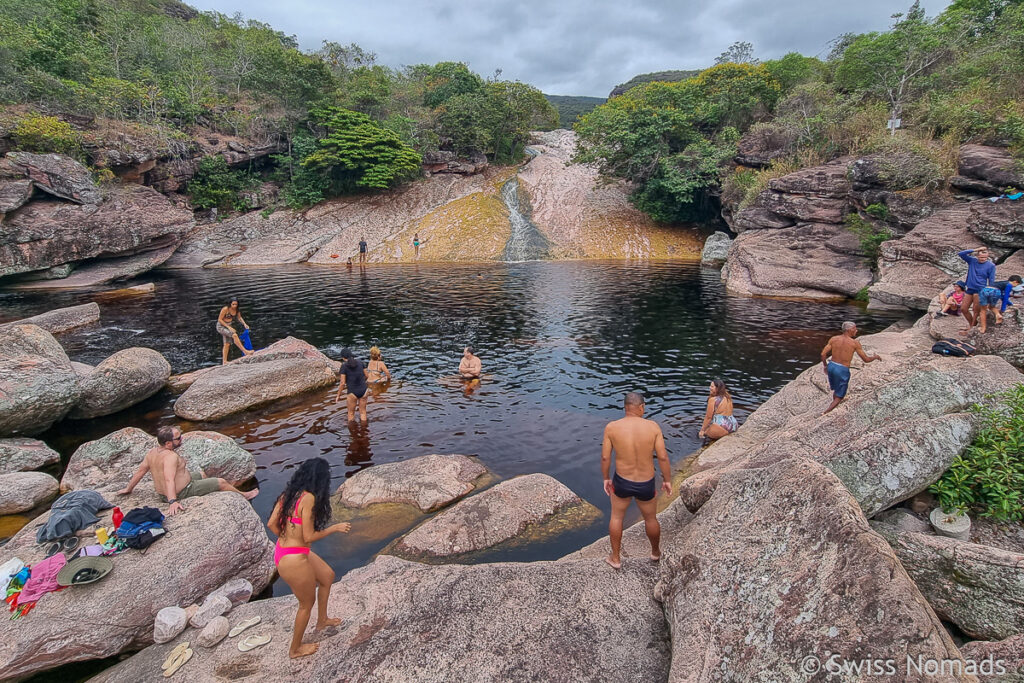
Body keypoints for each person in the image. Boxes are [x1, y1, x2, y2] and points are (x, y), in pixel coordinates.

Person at [267, 457, 350, 659]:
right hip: (294, 559)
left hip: (285, 552)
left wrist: (286, 538)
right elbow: (309, 537)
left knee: (327, 576)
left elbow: (271, 524)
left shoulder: (289, 494)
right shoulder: (309, 499)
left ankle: (322, 620)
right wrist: (334, 529)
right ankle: (295, 649)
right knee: (305, 604)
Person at [601, 392, 672, 570]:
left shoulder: (612, 427)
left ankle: (615, 558)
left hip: (622, 481)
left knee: (617, 517)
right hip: (646, 483)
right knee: (651, 519)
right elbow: (662, 457)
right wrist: (667, 480)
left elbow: (605, 458)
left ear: (625, 407)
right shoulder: (653, 427)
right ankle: (655, 553)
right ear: (641, 407)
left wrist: (606, 478)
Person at [118, 426, 258, 515]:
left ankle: (221, 485)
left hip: (177, 485)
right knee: (220, 482)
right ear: (168, 443)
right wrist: (172, 501)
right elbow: (169, 479)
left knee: (202, 474)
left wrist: (128, 488)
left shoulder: (152, 453)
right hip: (182, 491)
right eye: (178, 438)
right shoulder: (170, 457)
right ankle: (244, 495)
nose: (181, 439)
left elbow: (140, 472)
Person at [820, 322, 882, 415]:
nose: (856, 330)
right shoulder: (854, 343)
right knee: (840, 396)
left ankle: (835, 402)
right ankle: (826, 412)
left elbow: (823, 354)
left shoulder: (834, 339)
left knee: (837, 389)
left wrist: (825, 366)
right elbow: (866, 359)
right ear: (849, 330)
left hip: (832, 366)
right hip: (842, 369)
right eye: (855, 329)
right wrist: (875, 357)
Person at [958, 246, 996, 334]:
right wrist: (976, 249)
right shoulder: (972, 261)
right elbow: (961, 254)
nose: (983, 259)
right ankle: (972, 324)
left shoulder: (991, 265)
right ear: (977, 256)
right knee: (963, 308)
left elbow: (991, 279)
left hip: (980, 289)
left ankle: (971, 327)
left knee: (976, 310)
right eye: (981, 257)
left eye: (985, 258)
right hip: (970, 288)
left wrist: (990, 291)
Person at [334, 348, 369, 422]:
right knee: (363, 412)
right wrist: (362, 381)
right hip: (364, 390)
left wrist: (338, 396)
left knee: (351, 414)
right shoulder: (360, 362)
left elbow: (342, 383)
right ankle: (365, 431)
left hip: (352, 392)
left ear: (343, 357)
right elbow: (367, 376)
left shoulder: (344, 366)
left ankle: (353, 433)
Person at [216, 298, 254, 365]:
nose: (234, 306)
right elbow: (219, 319)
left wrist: (244, 324)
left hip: (229, 326)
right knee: (234, 335)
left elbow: (239, 318)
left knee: (227, 344)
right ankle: (245, 351)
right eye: (233, 304)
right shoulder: (225, 309)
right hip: (221, 326)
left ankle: (224, 361)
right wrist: (229, 327)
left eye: (236, 304)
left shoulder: (237, 310)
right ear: (230, 304)